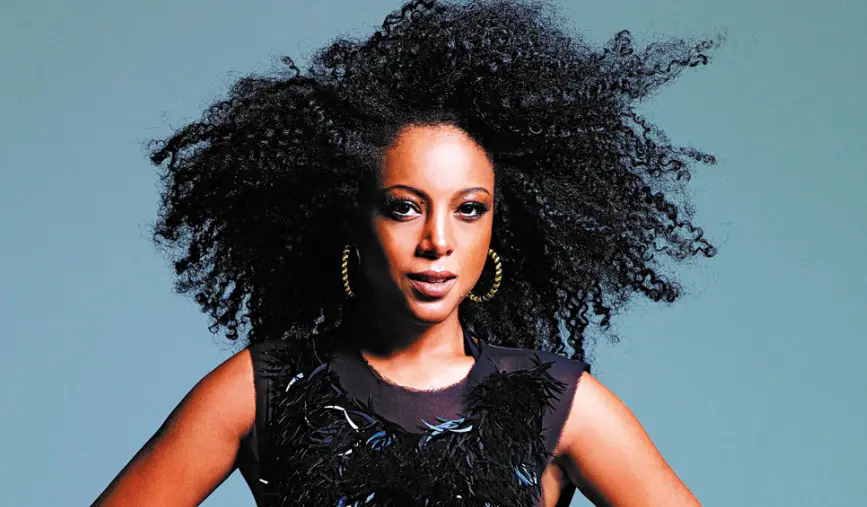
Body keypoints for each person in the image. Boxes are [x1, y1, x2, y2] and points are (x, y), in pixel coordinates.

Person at [93, 0, 720, 505]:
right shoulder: (262, 388)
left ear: (498, 228)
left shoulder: (559, 404)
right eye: (404, 207)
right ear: (354, 219)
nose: (438, 241)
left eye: (469, 209)